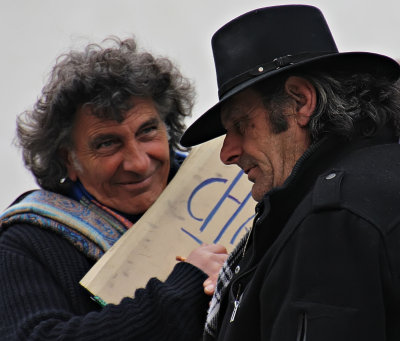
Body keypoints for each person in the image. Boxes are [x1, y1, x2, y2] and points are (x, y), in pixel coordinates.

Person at [181, 5, 400, 341]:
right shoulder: (374, 183)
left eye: (241, 125)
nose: (227, 153)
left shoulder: (333, 218)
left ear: (300, 101)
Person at [0, 36, 228, 340]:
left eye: (147, 131)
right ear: (68, 158)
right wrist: (185, 287)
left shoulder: (230, 182)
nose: (137, 162)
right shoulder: (23, 245)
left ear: (168, 126)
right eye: (107, 143)